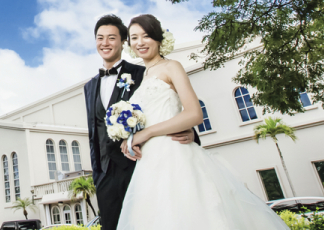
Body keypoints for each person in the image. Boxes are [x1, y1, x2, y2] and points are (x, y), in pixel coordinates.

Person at [116, 14, 289, 229]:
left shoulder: (172, 66)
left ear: (159, 38)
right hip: (149, 161)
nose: (140, 42)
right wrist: (131, 139)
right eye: (134, 37)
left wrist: (148, 133)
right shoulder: (143, 77)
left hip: (173, 154)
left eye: (146, 36)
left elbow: (194, 114)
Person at [83, 15, 196, 230]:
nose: (105, 43)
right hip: (105, 175)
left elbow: (169, 104)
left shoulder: (144, 72)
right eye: (100, 38)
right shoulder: (89, 87)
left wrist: (190, 131)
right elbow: (94, 132)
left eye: (111, 38)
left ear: (123, 42)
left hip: (139, 165)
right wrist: (97, 172)